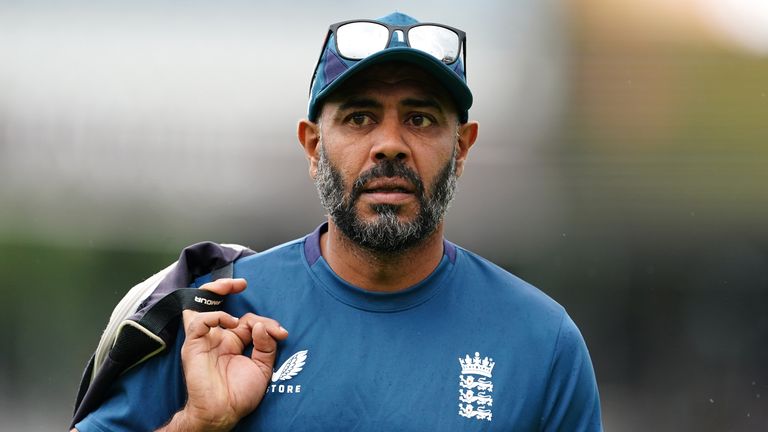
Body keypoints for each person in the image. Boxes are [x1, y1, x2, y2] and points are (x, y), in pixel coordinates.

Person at [72, 11, 602, 432]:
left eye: (419, 119)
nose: (390, 144)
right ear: (313, 146)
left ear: (461, 148)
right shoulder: (216, 317)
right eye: (359, 118)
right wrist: (198, 424)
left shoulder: (541, 341)